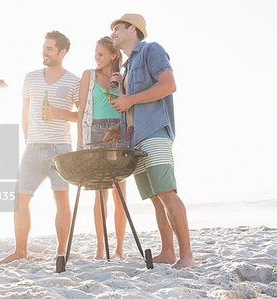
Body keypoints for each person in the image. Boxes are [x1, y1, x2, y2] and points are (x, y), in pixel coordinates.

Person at [105, 14, 195, 269]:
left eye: (117, 29)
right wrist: (118, 126)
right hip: (135, 137)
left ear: (132, 29)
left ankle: (186, 256)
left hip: (155, 132)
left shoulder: (151, 50)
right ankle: (168, 252)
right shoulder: (125, 67)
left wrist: (129, 100)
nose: (112, 34)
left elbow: (168, 85)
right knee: (156, 197)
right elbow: (131, 106)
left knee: (167, 193)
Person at [0, 31, 80, 264]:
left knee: (61, 199)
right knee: (19, 199)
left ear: (62, 53)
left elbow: (82, 116)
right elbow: (24, 112)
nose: (45, 51)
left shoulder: (74, 81)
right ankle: (20, 251)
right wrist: (28, 140)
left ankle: (61, 252)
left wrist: (57, 113)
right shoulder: (31, 78)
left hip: (60, 148)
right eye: (44, 47)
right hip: (32, 148)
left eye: (50, 48)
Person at [77, 36, 127, 259]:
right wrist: (80, 141)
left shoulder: (124, 76)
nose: (96, 58)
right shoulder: (88, 75)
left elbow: (128, 105)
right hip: (95, 133)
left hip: (118, 133)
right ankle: (100, 247)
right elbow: (81, 112)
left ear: (113, 55)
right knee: (100, 195)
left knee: (120, 196)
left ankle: (118, 249)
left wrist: (122, 82)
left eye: (100, 54)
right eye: (95, 54)